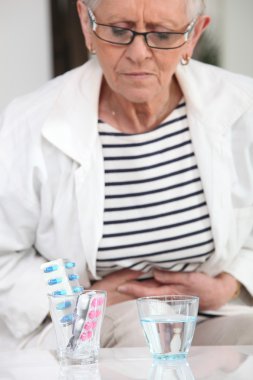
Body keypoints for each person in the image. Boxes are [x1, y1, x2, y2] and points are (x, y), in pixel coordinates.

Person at [0, 0, 253, 350]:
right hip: (92, 329)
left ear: (194, 35)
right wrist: (84, 299)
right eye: (119, 31)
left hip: (217, 315)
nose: (138, 53)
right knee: (145, 344)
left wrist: (231, 284)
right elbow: (4, 256)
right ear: (88, 26)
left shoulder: (243, 104)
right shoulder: (29, 122)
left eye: (162, 35)